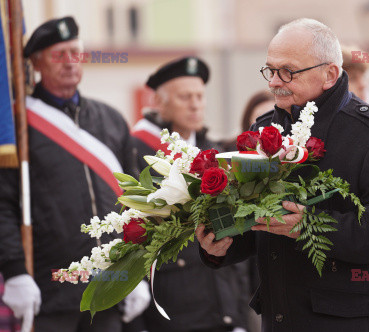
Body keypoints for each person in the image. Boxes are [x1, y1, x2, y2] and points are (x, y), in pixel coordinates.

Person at [196, 18, 369, 331]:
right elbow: (253, 220)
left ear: (329, 74)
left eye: (287, 71)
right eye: (270, 70)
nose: (274, 82)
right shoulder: (261, 131)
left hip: (351, 323)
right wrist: (220, 246)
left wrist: (310, 225)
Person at [0, 16, 150, 332]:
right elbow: (3, 203)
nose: (70, 62)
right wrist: (14, 271)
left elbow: (135, 203)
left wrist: (136, 268)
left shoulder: (110, 119)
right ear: (36, 63)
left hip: (108, 289)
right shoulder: (17, 126)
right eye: (58, 55)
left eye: (75, 52)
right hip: (48, 289)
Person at [133, 57, 249, 332]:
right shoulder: (139, 153)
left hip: (225, 305)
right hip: (173, 305)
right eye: (185, 97)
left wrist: (240, 315)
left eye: (199, 96)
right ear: (160, 103)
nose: (195, 104)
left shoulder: (216, 152)